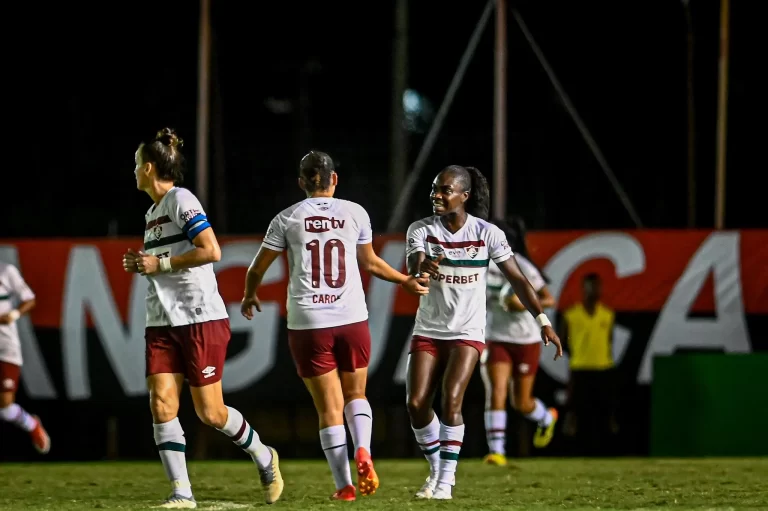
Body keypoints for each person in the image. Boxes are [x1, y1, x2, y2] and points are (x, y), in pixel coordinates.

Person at [241, 151, 429, 501]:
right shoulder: (354, 212)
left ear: (301, 182)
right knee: (356, 394)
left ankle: (344, 487)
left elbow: (256, 269)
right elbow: (370, 263)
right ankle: (364, 450)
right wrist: (404, 280)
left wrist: (250, 295)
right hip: (351, 318)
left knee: (328, 408)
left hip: (309, 321)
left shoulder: (286, 218)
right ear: (334, 179)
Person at [123, 128, 283, 509]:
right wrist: (145, 265)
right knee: (161, 403)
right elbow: (164, 265)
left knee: (210, 412)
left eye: (135, 165)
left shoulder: (181, 199)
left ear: (148, 168)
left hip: (199, 318)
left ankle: (264, 455)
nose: (132, 171)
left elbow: (210, 250)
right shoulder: (151, 213)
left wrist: (158, 262)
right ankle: (182, 493)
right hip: (161, 320)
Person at [405, 166, 562, 500]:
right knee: (417, 403)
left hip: (468, 331)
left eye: (445, 190)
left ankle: (446, 481)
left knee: (452, 398)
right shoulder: (420, 229)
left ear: (464, 196)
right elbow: (414, 267)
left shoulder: (487, 233)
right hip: (429, 329)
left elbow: (520, 280)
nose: (436, 195)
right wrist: (423, 268)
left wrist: (543, 322)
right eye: (434, 189)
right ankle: (436, 469)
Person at [480, 216, 558, 467]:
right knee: (496, 392)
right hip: (495, 337)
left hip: (525, 339)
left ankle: (546, 417)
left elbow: (549, 299)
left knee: (522, 402)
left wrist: (521, 302)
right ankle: (497, 452)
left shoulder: (521, 264)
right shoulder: (478, 263)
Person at [560, 273, 619, 449]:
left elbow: (609, 339)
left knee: (605, 411)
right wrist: (579, 354)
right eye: (591, 286)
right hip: (580, 369)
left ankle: (605, 449)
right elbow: (564, 341)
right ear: (583, 289)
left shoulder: (607, 314)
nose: (595, 290)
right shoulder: (571, 314)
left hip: (603, 368)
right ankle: (575, 449)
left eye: (597, 286)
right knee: (577, 412)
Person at [0, 262, 50, 454]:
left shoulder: (6, 270)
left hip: (6, 348)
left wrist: (13, 315)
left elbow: (29, 299)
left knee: (5, 407)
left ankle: (31, 425)